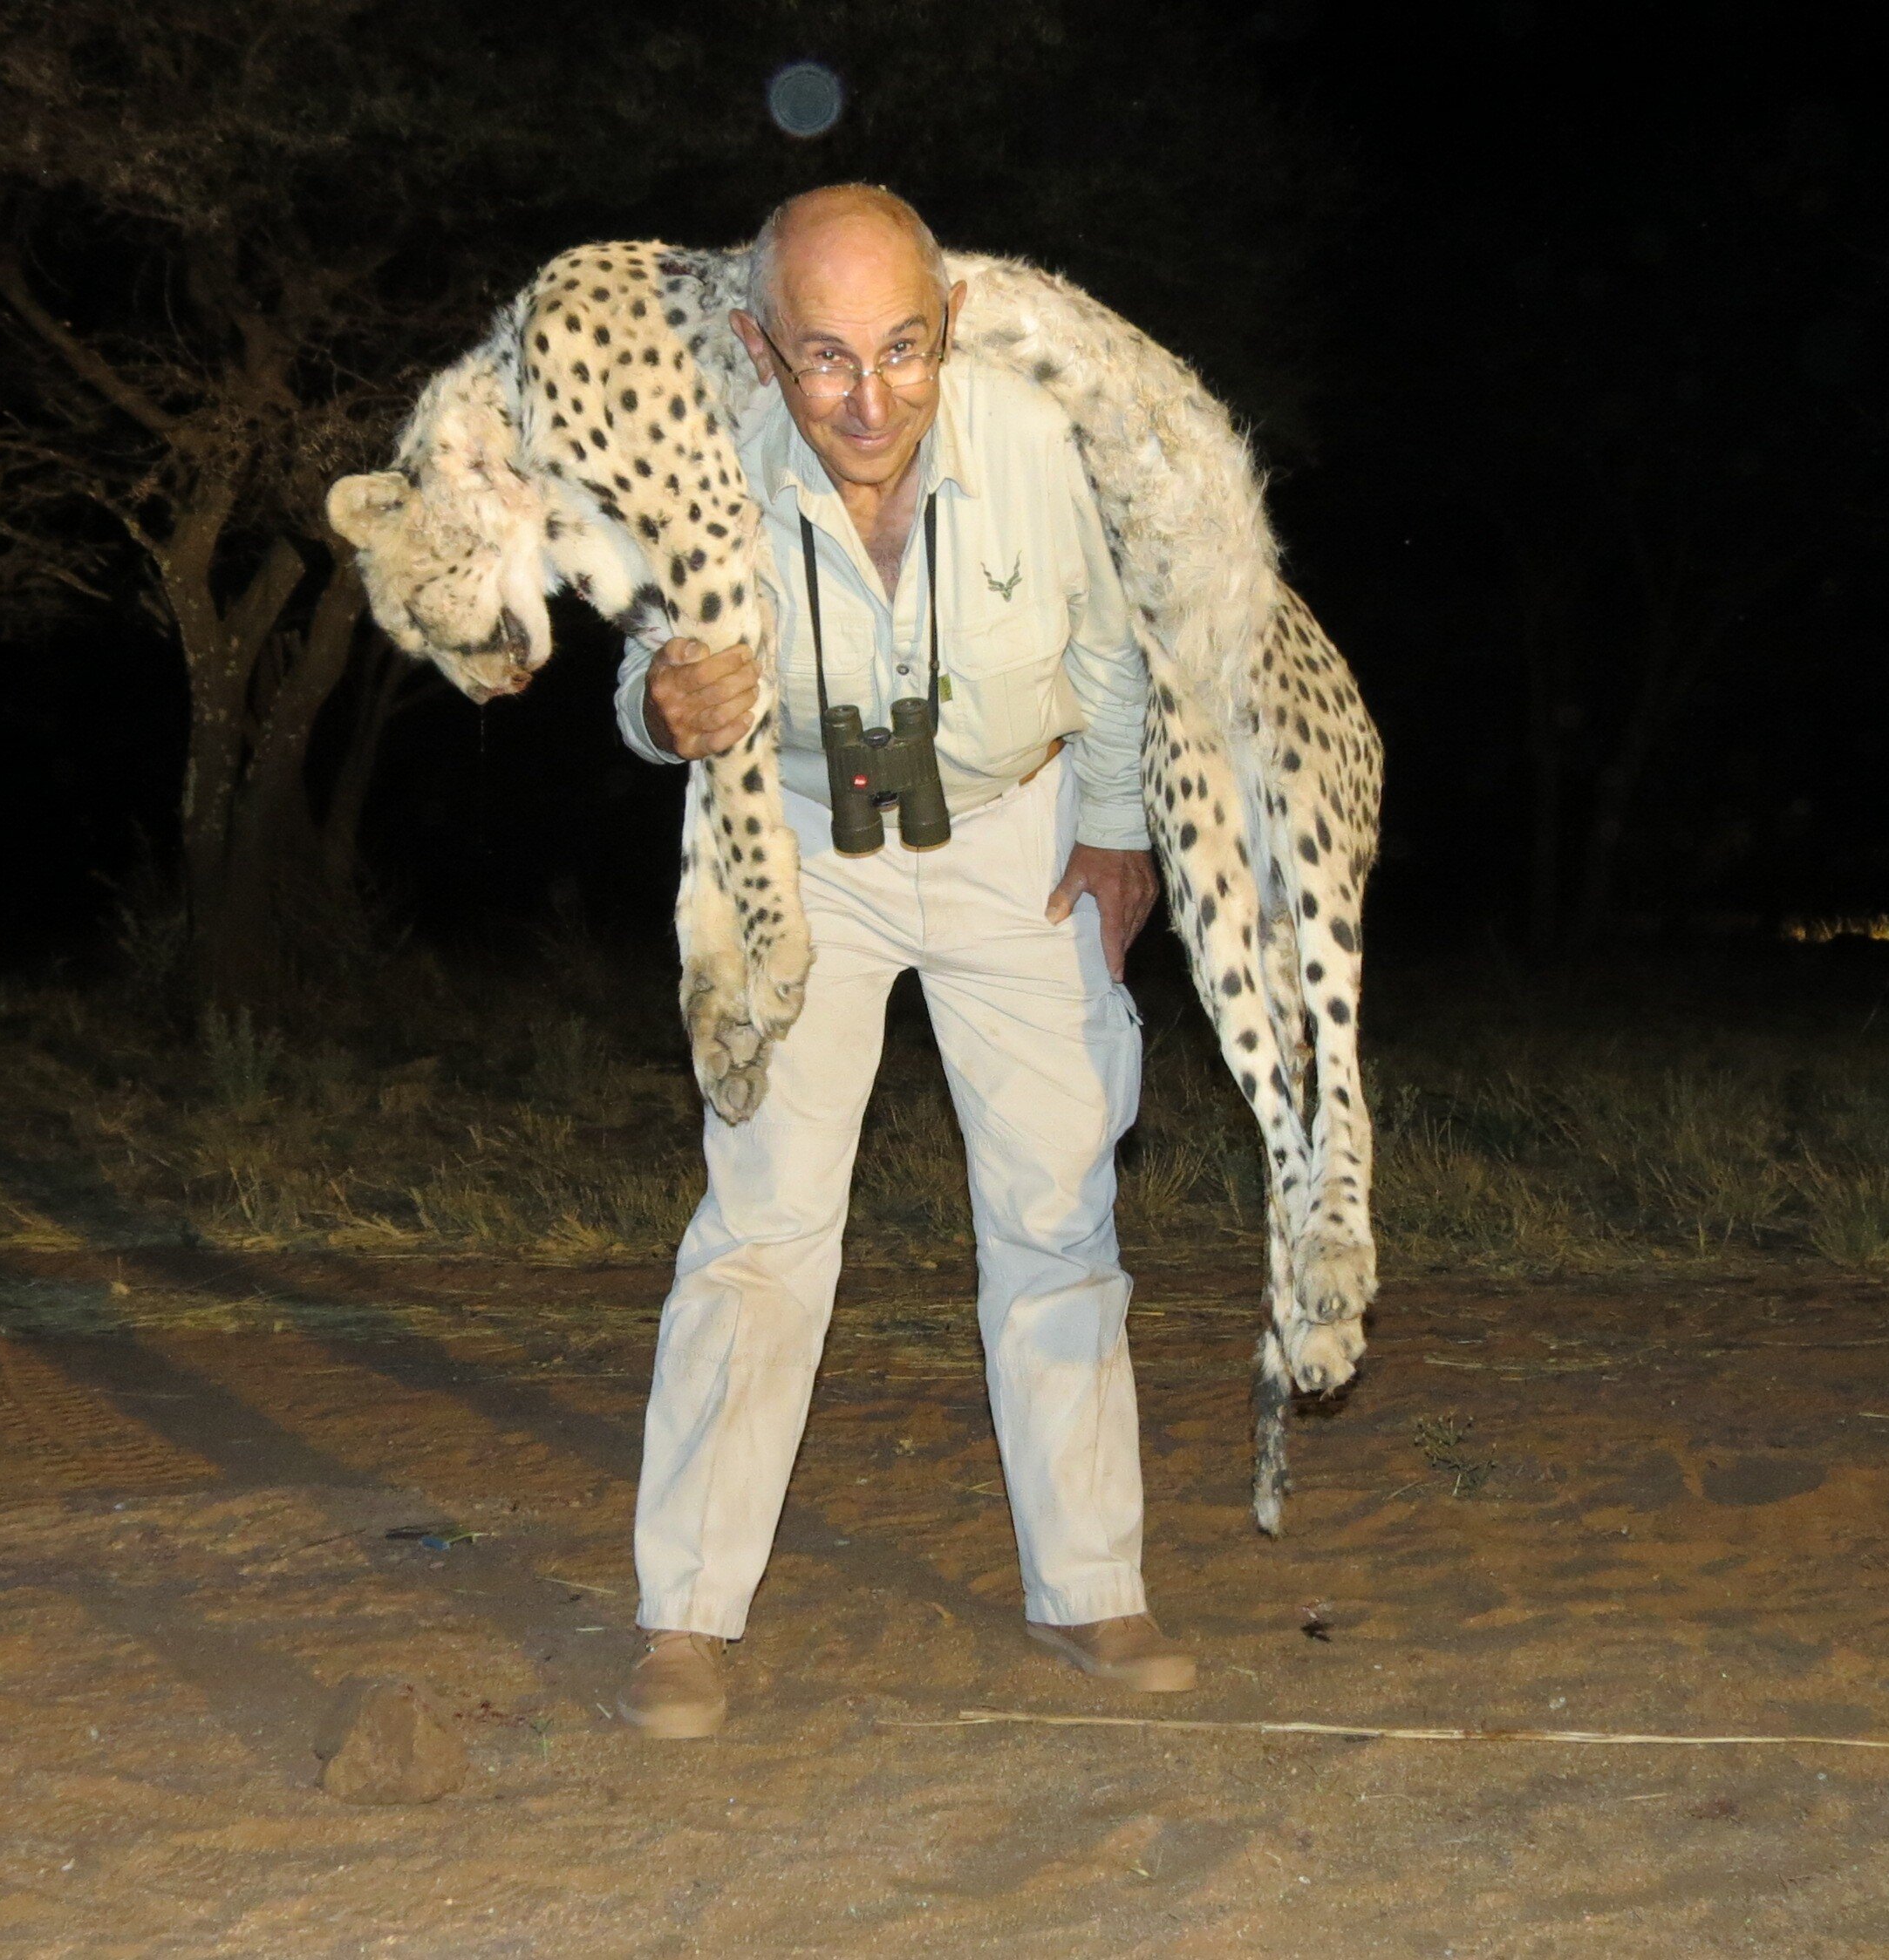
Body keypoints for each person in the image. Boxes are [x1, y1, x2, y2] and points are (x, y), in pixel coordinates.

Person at [608, 184, 1186, 1738]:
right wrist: (665, 707)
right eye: (826, 358)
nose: (873, 400)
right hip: (793, 842)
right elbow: (638, 672)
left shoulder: (1034, 436)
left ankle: (1092, 1588)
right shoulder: (704, 454)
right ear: (758, 346)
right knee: (764, 1221)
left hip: (1017, 826)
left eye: (904, 349)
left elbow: (1115, 645)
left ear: (950, 326)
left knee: (1059, 1208)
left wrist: (1120, 828)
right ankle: (686, 1613)